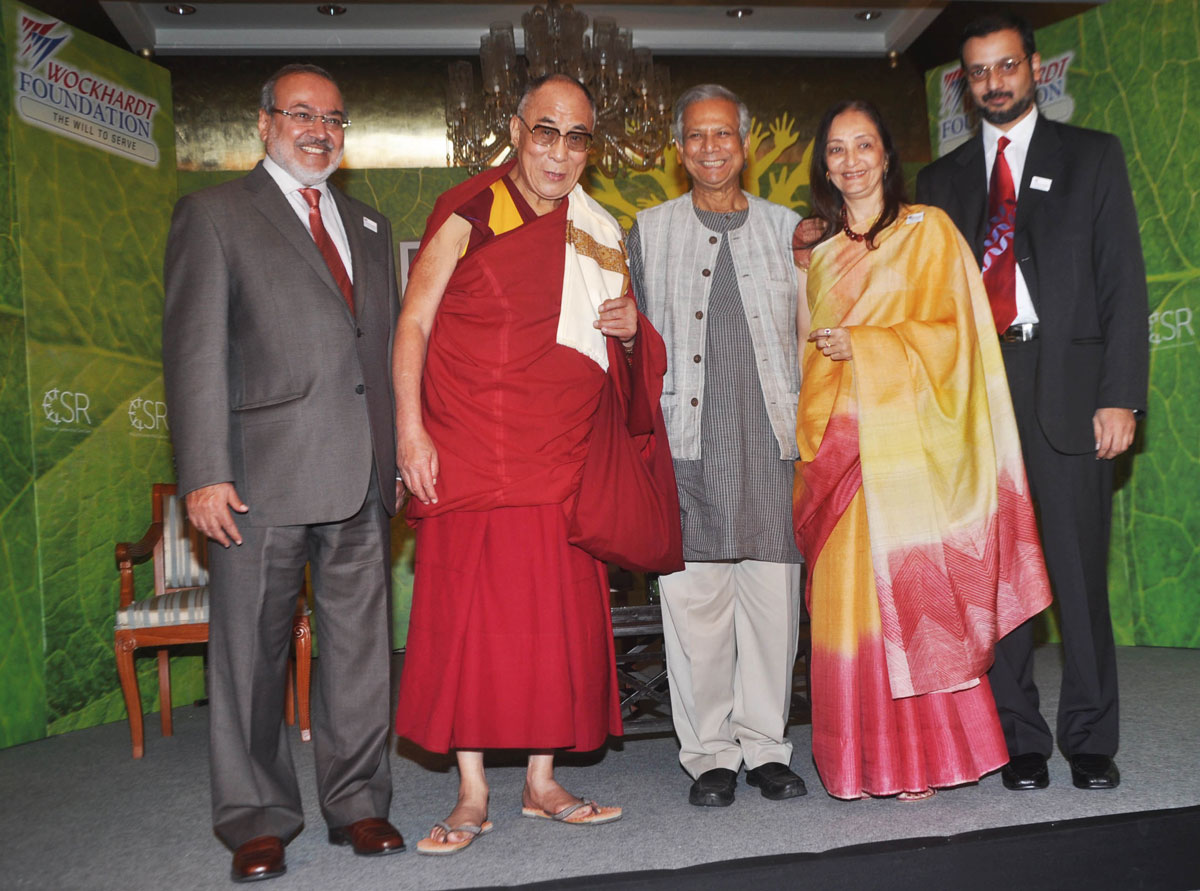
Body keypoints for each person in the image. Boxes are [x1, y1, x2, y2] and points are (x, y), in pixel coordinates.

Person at [393, 73, 667, 854]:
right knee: (468, 620)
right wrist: (411, 430)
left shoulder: (598, 228)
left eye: (576, 138)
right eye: (545, 131)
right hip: (471, 446)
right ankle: (472, 791)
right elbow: (413, 324)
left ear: (590, 149)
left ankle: (542, 782)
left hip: (558, 454)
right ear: (517, 130)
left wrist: (626, 330)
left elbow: (621, 357)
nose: (558, 151)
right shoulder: (469, 210)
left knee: (554, 620)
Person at [162, 64, 404, 882]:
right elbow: (193, 351)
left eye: (334, 117)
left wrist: (399, 452)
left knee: (362, 654)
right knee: (249, 659)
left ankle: (360, 804)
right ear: (262, 123)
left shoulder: (371, 227)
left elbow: (382, 356)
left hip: (362, 477)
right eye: (302, 113)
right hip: (257, 480)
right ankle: (256, 818)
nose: (320, 130)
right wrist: (203, 471)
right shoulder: (214, 214)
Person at [793, 98, 1052, 801]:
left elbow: (958, 336)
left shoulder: (928, 231)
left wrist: (871, 345)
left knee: (912, 600)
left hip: (910, 458)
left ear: (886, 156)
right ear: (825, 164)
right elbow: (807, 361)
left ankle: (925, 760)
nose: (850, 161)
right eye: (837, 149)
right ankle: (862, 757)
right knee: (852, 609)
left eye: (864, 146)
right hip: (841, 456)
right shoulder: (820, 258)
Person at [916, 13, 1149, 792]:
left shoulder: (1092, 158)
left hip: (1071, 393)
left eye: (1007, 66)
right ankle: (1019, 736)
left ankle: (1089, 736)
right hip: (978, 401)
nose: (994, 83)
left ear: (1035, 67)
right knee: (997, 578)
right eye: (978, 72)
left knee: (1078, 575)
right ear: (964, 82)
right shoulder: (940, 183)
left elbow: (1123, 284)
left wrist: (1121, 396)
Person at [628, 84, 807, 808]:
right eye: (696, 136)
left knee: (772, 601)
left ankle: (765, 746)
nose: (710, 148)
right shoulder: (648, 230)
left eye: (723, 135)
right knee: (696, 603)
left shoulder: (789, 228)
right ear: (680, 148)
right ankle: (708, 754)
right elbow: (629, 341)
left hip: (770, 440)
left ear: (746, 142)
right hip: (686, 441)